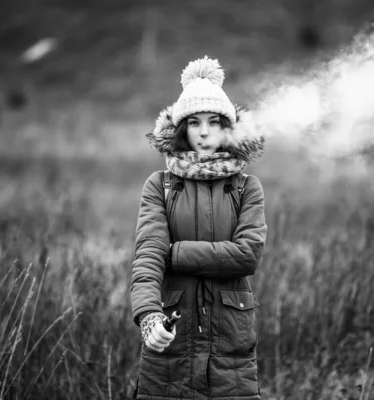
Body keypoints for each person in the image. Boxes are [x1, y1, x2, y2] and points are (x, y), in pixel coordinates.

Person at [130, 56, 267, 399]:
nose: (204, 132)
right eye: (194, 122)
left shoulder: (246, 187)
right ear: (181, 128)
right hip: (172, 340)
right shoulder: (159, 185)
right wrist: (148, 315)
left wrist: (175, 253)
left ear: (228, 127)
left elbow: (246, 257)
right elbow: (148, 256)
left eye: (213, 122)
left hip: (230, 347)